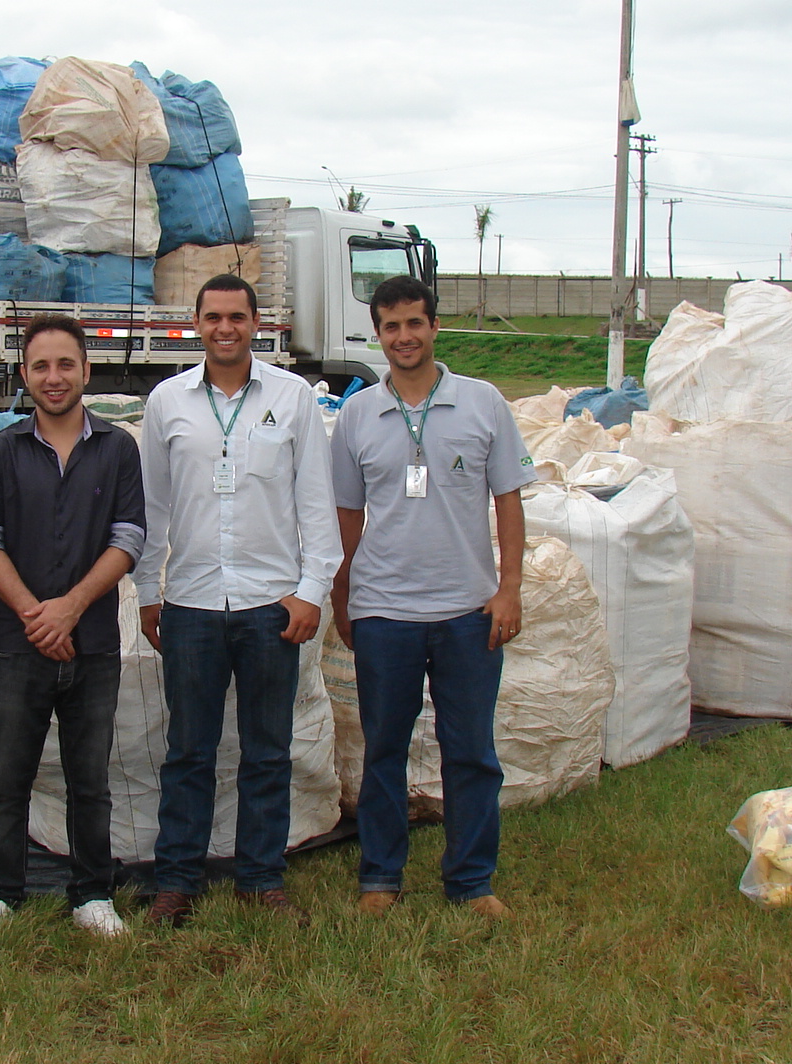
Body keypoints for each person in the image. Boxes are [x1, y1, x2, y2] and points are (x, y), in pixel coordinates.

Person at [135, 274, 342, 926]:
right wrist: (148, 593)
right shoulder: (168, 402)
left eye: (237, 317)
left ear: (257, 323)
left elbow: (316, 501)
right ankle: (176, 882)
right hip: (191, 605)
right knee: (189, 752)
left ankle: (261, 879)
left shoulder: (293, 398)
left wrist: (311, 591)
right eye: (213, 317)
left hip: (269, 607)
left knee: (267, 751)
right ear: (196, 324)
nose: (225, 328)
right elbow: (153, 508)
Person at [329, 275, 535, 918]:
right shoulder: (357, 414)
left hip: (467, 612)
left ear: (434, 326)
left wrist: (509, 589)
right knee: (383, 748)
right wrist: (343, 595)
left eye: (414, 323)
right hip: (384, 610)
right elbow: (346, 514)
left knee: (471, 751)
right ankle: (380, 880)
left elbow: (508, 501)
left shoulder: (482, 404)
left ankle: (473, 881)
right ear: (378, 333)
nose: (404, 337)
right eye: (390, 326)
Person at [0, 314, 144, 947]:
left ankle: (92, 893)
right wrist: (39, 614)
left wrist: (71, 608)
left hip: (92, 645)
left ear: (86, 371)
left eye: (66, 364)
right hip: (17, 646)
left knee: (90, 779)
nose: (54, 377)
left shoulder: (116, 448)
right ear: (25, 374)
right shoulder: (3, 451)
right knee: (10, 776)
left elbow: (128, 538)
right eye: (41, 366)